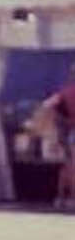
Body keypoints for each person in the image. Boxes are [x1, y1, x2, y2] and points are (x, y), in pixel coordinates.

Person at [45, 63, 75, 210]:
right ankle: (69, 197)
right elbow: (48, 105)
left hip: (67, 133)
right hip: (70, 133)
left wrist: (60, 123)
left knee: (67, 165)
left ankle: (62, 197)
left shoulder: (65, 91)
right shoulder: (68, 92)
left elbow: (48, 106)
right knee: (71, 166)